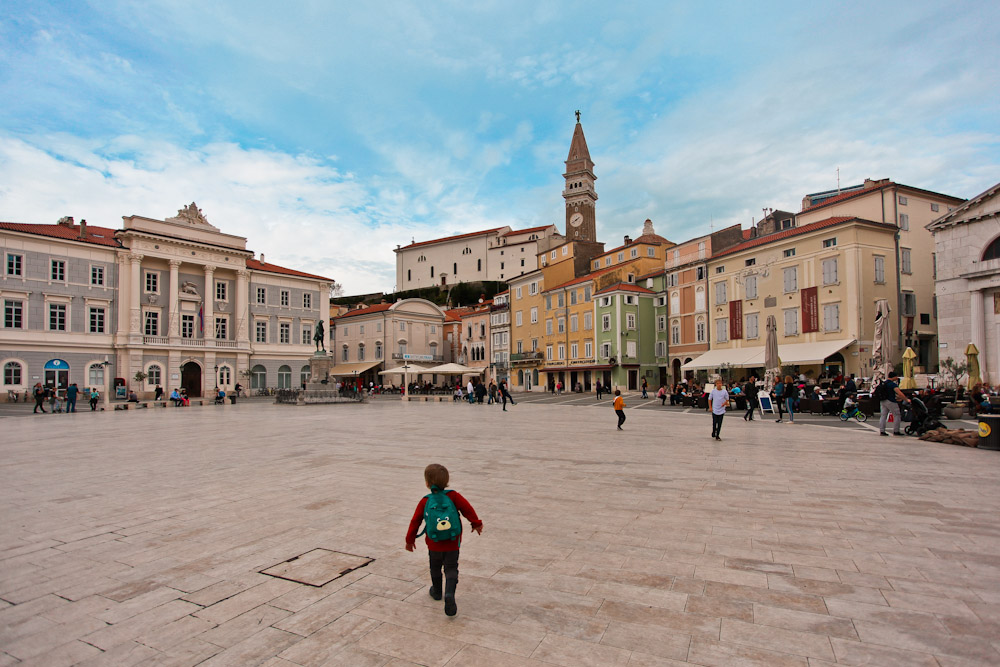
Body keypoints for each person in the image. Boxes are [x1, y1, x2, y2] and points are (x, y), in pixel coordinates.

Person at [405, 464, 482, 617]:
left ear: (427, 483)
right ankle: (449, 594)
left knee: (435, 567)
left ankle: (437, 591)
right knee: (451, 568)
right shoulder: (453, 496)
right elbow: (468, 509)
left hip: (434, 544)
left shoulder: (425, 501)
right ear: (447, 481)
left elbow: (415, 521)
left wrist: (410, 540)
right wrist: (476, 523)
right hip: (453, 542)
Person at [878, 371, 909, 436]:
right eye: (896, 376)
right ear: (894, 377)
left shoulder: (884, 383)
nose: (897, 378)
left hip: (883, 400)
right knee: (897, 415)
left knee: (883, 416)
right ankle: (896, 431)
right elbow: (899, 393)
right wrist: (906, 399)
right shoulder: (892, 384)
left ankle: (882, 431)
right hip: (891, 401)